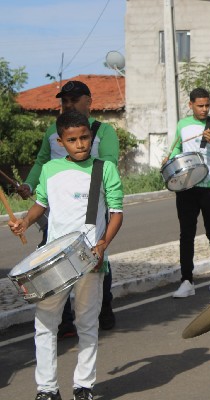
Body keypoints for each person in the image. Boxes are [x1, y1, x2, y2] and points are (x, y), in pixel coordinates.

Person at [9, 110, 124, 400]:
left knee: (87, 324)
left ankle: (84, 386)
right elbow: (41, 204)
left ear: (91, 137)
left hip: (89, 258)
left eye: (84, 137)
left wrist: (102, 245)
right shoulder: (50, 169)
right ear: (61, 142)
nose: (80, 144)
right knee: (45, 325)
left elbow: (117, 213)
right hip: (53, 261)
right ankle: (47, 389)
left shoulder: (104, 169)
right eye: (72, 140)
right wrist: (25, 221)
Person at [17, 80, 120, 335]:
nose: (69, 105)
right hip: (57, 205)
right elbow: (42, 162)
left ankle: (103, 307)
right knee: (54, 259)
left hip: (90, 201)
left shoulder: (104, 131)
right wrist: (30, 185)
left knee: (96, 256)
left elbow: (108, 164)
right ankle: (63, 318)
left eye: (74, 100)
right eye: (65, 101)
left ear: (89, 102)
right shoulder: (53, 131)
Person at [168, 87, 210, 297]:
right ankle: (186, 280)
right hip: (187, 186)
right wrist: (169, 161)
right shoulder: (183, 125)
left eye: (207, 105)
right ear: (191, 105)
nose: (204, 109)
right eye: (200, 105)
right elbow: (176, 149)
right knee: (186, 234)